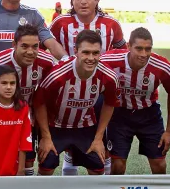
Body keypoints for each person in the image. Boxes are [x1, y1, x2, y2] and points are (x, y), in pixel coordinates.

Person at [48, 0, 126, 175]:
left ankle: (101, 188)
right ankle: (70, 164)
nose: (83, 1)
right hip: (66, 92)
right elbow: (46, 52)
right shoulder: (60, 23)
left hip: (100, 92)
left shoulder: (111, 24)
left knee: (101, 142)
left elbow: (121, 55)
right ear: (72, 0)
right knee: (68, 136)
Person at [0, 24, 55, 176]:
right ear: (14, 45)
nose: (30, 52)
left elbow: (46, 90)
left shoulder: (46, 62)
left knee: (29, 157)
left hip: (27, 113)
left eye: (35, 46)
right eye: (24, 46)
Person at [34, 30, 120, 176]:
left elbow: (110, 103)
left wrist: (99, 138)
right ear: (76, 51)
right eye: (86, 52)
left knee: (97, 168)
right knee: (46, 166)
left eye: (95, 53)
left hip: (85, 125)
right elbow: (39, 103)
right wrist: (46, 137)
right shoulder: (57, 75)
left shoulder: (109, 76)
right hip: (55, 126)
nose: (91, 58)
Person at [101, 27, 170, 175]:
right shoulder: (109, 60)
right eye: (139, 49)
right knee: (117, 166)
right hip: (120, 116)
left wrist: (169, 131)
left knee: (160, 165)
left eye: (148, 49)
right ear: (129, 46)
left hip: (149, 116)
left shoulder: (162, 66)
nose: (144, 54)